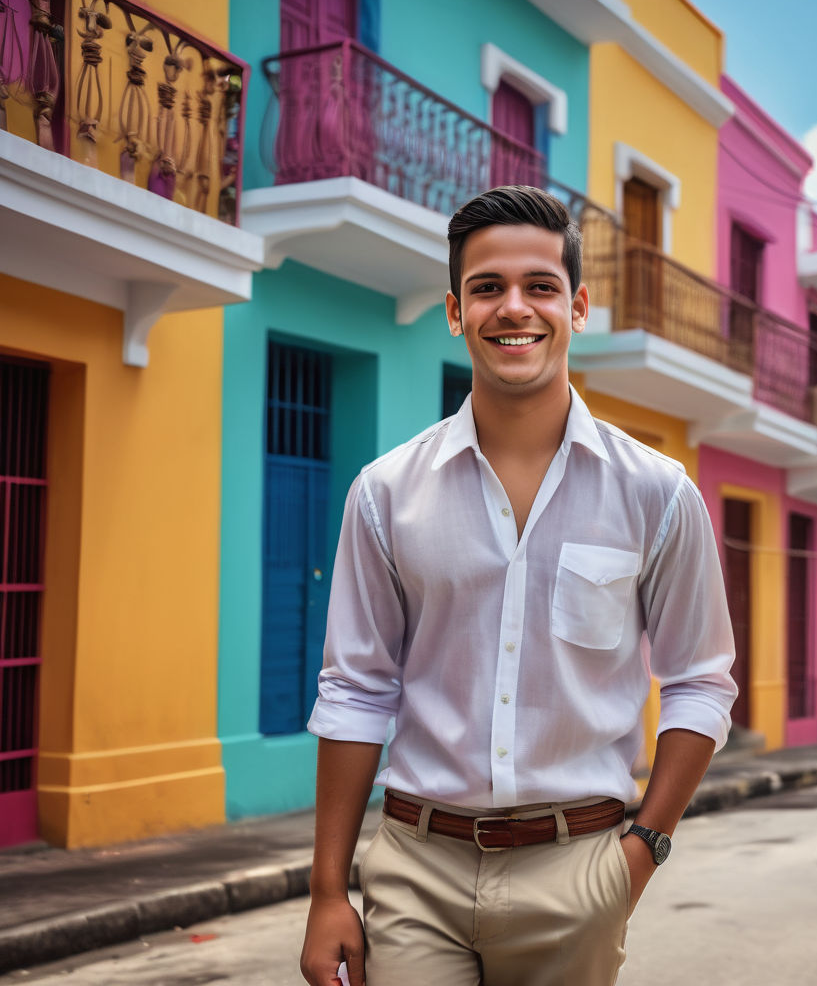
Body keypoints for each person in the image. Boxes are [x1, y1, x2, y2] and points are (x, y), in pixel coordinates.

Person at [299, 186, 737, 986]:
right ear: (455, 311)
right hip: (414, 868)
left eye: (540, 286)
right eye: (486, 287)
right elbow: (356, 690)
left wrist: (640, 854)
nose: (514, 308)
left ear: (578, 307)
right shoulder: (386, 492)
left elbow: (701, 682)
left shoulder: (657, 492)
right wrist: (328, 891)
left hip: (579, 868)